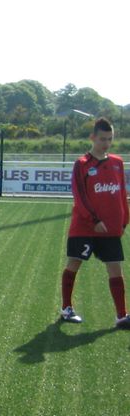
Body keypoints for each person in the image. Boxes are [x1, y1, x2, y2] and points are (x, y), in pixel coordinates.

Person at [59, 117, 130, 328]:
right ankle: (66, 309)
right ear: (93, 138)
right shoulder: (82, 164)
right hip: (84, 228)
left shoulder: (117, 163)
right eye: (102, 139)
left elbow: (122, 194)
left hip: (109, 230)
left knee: (115, 269)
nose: (106, 143)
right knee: (74, 264)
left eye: (110, 139)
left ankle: (121, 316)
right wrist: (94, 220)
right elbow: (79, 197)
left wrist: (124, 219)